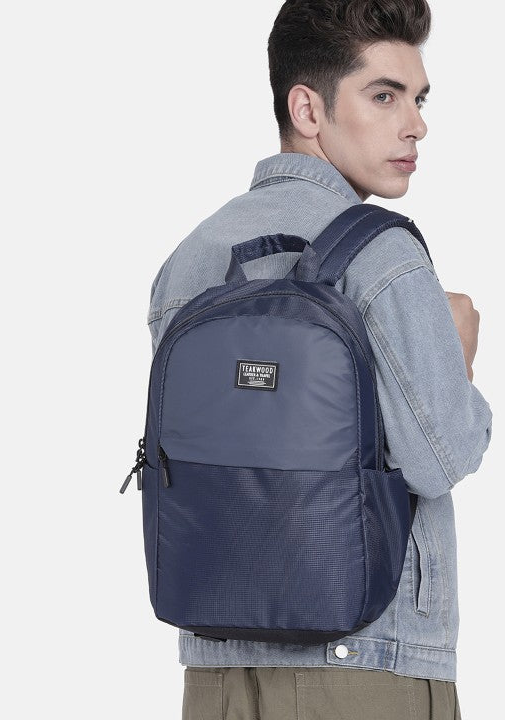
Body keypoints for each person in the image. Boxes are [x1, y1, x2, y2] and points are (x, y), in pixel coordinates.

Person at [146, 2, 492, 718]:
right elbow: (441, 458)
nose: (416, 125)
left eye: (419, 99)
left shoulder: (191, 257)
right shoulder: (383, 254)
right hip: (367, 664)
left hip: (215, 672)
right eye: (384, 95)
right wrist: (457, 356)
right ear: (307, 108)